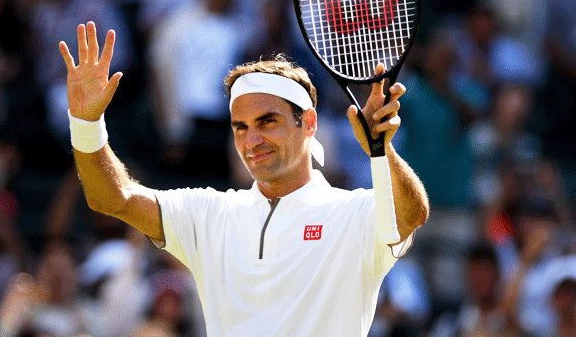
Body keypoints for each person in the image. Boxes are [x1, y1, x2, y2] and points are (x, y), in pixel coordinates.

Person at [58, 21, 429, 336]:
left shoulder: (353, 212)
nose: (252, 140)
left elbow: (410, 215)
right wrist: (87, 125)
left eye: (267, 122)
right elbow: (113, 198)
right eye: (240, 127)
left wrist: (382, 153)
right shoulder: (209, 213)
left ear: (309, 123)